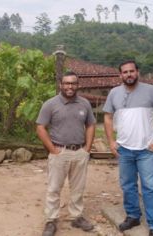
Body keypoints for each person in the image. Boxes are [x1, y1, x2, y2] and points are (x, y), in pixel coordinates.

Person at [103, 60, 153, 236]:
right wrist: (111, 141)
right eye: (125, 72)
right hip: (124, 149)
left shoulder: (151, 90)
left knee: (150, 186)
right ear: (120, 75)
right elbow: (108, 117)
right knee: (127, 185)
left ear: (137, 72)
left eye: (131, 71)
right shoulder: (114, 93)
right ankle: (133, 216)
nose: (129, 75)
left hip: (147, 150)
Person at [36, 71, 96, 236]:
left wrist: (87, 149)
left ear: (77, 85)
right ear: (61, 85)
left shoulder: (84, 104)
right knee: (54, 188)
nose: (70, 86)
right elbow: (40, 127)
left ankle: (76, 217)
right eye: (66, 83)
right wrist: (52, 150)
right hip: (59, 152)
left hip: (79, 152)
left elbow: (91, 125)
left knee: (78, 188)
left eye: (73, 83)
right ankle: (51, 220)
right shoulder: (50, 104)